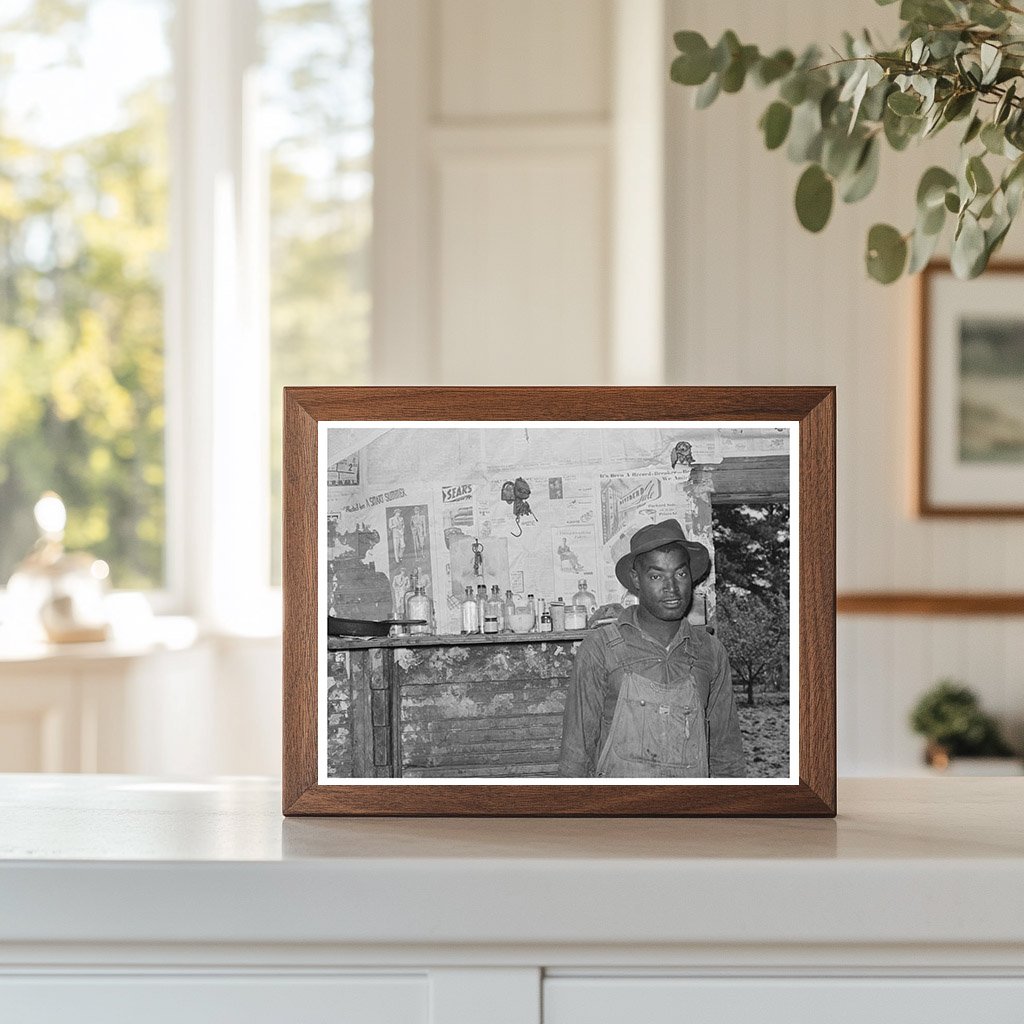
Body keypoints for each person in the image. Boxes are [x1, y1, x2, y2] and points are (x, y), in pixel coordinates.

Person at [558, 518, 745, 778]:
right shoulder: (600, 648)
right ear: (636, 579)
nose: (672, 588)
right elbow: (576, 752)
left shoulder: (711, 652)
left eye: (680, 574)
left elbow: (727, 754)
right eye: (656, 576)